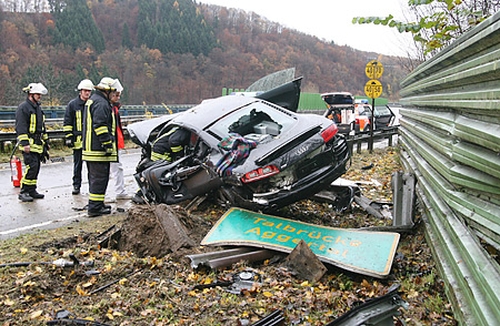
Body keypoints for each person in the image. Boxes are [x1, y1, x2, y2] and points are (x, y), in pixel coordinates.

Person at [82, 77, 120, 217]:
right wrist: (108, 144)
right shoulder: (102, 104)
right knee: (99, 179)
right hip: (98, 150)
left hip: (91, 149)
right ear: (108, 91)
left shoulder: (94, 100)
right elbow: (100, 126)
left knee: (95, 179)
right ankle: (95, 208)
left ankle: (96, 204)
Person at [131, 126, 191, 204]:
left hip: (161, 148)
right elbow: (174, 142)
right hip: (161, 151)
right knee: (159, 176)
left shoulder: (182, 128)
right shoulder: (185, 131)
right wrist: (179, 155)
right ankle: (140, 195)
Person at [15, 83, 50, 202]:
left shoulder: (38, 108)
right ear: (31, 94)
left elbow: (42, 127)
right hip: (28, 144)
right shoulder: (23, 108)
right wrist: (25, 143)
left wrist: (46, 142)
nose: (39, 96)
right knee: (31, 167)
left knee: (36, 167)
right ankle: (24, 191)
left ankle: (31, 190)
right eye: (37, 94)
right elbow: (21, 126)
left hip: (37, 144)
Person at [63, 79, 94, 195]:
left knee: (92, 167)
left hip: (90, 141)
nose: (87, 93)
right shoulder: (72, 105)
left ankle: (92, 187)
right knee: (77, 166)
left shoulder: (92, 104)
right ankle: (76, 186)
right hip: (78, 141)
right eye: (85, 91)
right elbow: (67, 121)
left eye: (89, 91)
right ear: (80, 91)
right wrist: (69, 137)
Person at [109, 80, 132, 200]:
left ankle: (118, 191)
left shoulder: (114, 108)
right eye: (116, 95)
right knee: (115, 168)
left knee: (115, 168)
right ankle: (119, 191)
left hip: (115, 143)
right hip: (111, 143)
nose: (118, 98)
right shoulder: (108, 108)